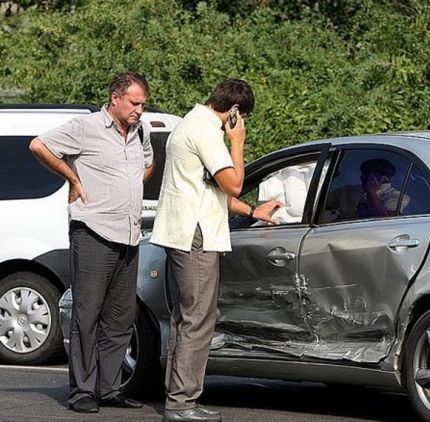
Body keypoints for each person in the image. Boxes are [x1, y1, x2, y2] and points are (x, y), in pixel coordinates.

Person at [150, 79, 280, 422]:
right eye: (240, 118)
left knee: (185, 318)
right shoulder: (207, 133)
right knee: (198, 319)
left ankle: (178, 397)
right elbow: (233, 182)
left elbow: (212, 189)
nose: (238, 126)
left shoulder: (187, 124)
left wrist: (253, 212)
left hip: (183, 233)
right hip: (196, 235)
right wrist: (238, 141)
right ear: (234, 111)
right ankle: (181, 404)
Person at [29, 71, 152, 413]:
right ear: (115, 98)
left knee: (120, 317)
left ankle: (109, 388)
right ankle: (83, 390)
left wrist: (128, 188)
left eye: (143, 104)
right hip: (94, 230)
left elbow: (148, 164)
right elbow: (39, 145)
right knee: (87, 314)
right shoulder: (87, 128)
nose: (140, 110)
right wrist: (72, 177)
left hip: (129, 233)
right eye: (134, 103)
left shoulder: (139, 131)